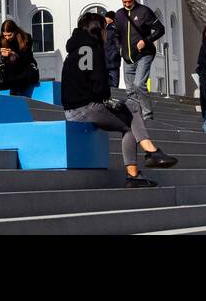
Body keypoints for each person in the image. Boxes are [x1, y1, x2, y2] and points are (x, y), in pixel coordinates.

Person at [61, 12, 177, 187]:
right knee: (132, 117)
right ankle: (144, 161)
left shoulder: (72, 53)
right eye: (105, 30)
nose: (106, 34)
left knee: (131, 113)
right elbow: (101, 89)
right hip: (88, 109)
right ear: (98, 30)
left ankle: (148, 157)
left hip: (70, 111)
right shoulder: (94, 50)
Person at [114, 0, 164, 121]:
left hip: (144, 54)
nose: (127, 4)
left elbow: (160, 29)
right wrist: (120, 49)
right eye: (124, 2)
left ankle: (148, 115)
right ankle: (135, 116)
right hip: (127, 57)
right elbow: (116, 34)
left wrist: (146, 41)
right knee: (130, 90)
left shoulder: (144, 12)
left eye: (129, 2)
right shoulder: (119, 14)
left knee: (138, 84)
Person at [0, 18, 40, 94]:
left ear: (15, 31)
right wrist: (5, 56)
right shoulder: (2, 39)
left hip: (27, 68)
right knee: (7, 72)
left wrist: (15, 55)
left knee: (17, 77)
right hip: (13, 68)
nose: (7, 38)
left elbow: (28, 58)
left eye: (9, 35)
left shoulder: (26, 38)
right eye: (5, 35)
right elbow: (5, 62)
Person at [101, 10, 122, 88]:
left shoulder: (113, 30)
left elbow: (117, 46)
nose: (105, 18)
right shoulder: (108, 29)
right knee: (111, 82)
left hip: (111, 61)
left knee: (113, 83)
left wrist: (112, 56)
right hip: (110, 61)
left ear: (111, 19)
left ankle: (113, 99)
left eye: (106, 17)